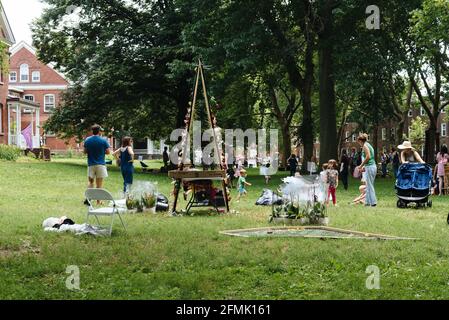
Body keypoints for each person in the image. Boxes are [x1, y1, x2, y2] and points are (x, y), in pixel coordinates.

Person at [84, 124, 110, 190]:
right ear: (99, 131)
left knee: (90, 182)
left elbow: (85, 151)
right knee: (99, 185)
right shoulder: (103, 140)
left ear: (92, 131)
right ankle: (98, 200)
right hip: (101, 164)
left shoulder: (87, 140)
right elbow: (108, 152)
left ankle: (88, 198)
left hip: (91, 164)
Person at [356, 133, 377, 207]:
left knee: (369, 185)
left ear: (360, 141)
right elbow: (371, 158)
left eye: (358, 141)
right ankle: (367, 202)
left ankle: (373, 202)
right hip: (371, 166)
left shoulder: (365, 145)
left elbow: (368, 157)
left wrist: (361, 166)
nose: (359, 143)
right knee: (368, 185)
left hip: (370, 167)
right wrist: (364, 167)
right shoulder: (369, 145)